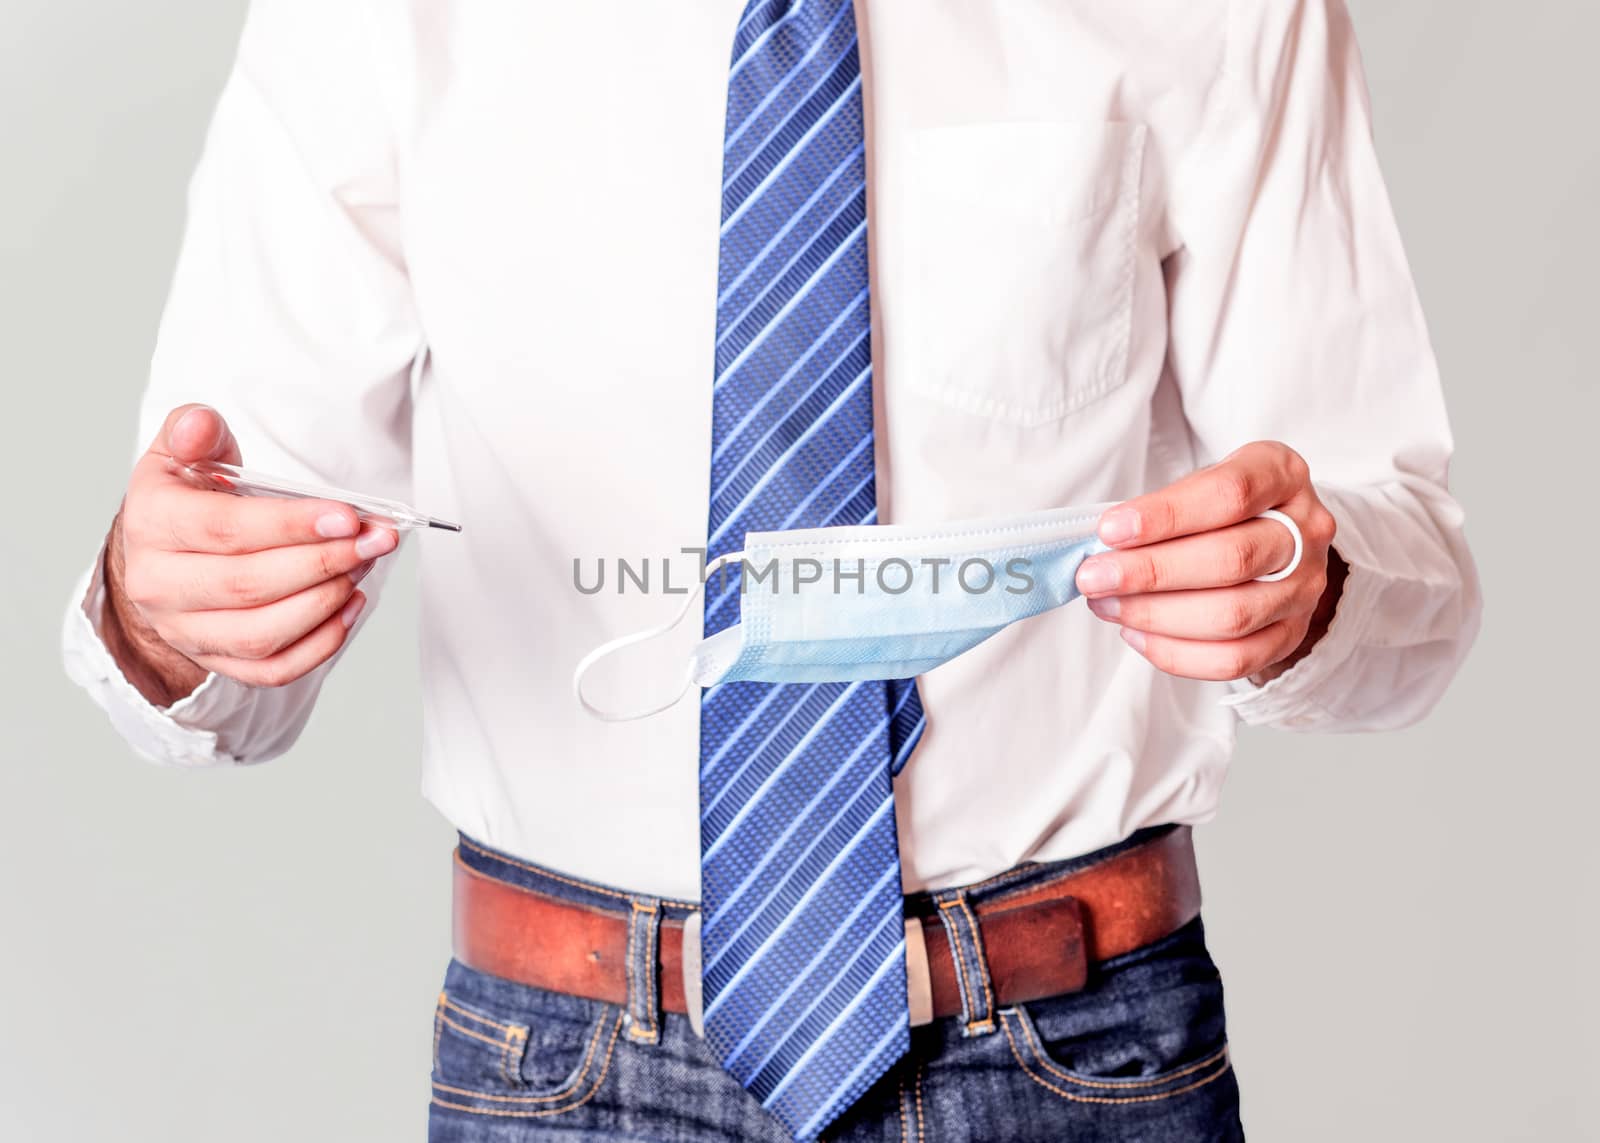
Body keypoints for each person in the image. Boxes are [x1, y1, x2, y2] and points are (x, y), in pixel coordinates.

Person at [61, 1, 1481, 1140]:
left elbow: (1399, 556)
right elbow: (221, 578)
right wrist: (167, 604)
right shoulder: (379, 17)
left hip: (1067, 1053)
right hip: (564, 1072)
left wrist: (1307, 582)